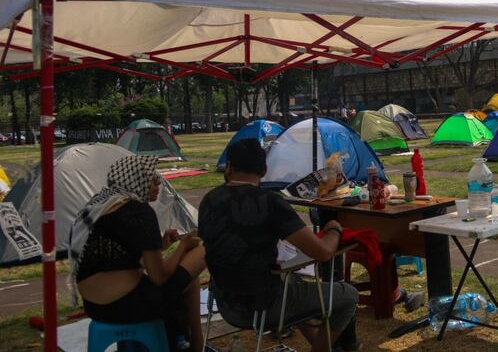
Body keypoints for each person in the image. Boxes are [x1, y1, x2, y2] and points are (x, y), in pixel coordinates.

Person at [199, 139, 359, 352]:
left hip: (226, 304)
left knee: (293, 281)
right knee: (348, 295)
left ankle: (326, 346)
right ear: (264, 170)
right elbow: (323, 252)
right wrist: (334, 229)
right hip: (266, 304)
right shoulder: (269, 203)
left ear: (229, 167)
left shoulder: (209, 201)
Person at [69, 155, 206, 351]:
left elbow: (118, 258)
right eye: (152, 179)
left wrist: (159, 245)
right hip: (127, 305)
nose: (158, 184)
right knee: (201, 252)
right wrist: (184, 246)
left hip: (94, 306)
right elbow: (159, 277)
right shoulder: (139, 212)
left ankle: (194, 343)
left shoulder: (102, 204)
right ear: (136, 180)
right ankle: (191, 343)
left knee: (190, 280)